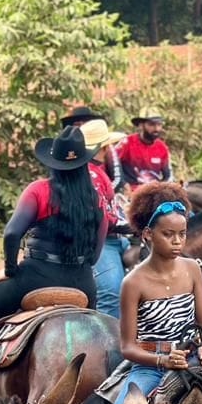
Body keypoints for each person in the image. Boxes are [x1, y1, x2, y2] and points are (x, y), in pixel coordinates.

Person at [0, 126, 103, 394]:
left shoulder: (39, 190)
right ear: (84, 163)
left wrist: (12, 268)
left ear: (53, 163)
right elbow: (94, 255)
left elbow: (12, 233)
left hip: (35, 278)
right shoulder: (95, 198)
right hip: (83, 284)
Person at [100, 183, 202, 404]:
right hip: (149, 367)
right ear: (148, 234)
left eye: (182, 234)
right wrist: (163, 360)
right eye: (168, 235)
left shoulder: (192, 269)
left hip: (192, 360)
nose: (177, 242)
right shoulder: (133, 283)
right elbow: (127, 347)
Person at [82, 119, 130, 318]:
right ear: (102, 148)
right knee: (111, 293)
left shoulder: (99, 171)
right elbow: (102, 219)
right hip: (101, 241)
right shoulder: (89, 174)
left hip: (116, 237)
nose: (112, 149)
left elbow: (111, 209)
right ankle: (107, 344)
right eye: (108, 145)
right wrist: (132, 225)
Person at [118, 108, 172, 190]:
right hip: (129, 192)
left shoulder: (162, 147)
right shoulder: (126, 142)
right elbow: (111, 165)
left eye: (159, 125)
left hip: (152, 192)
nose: (156, 129)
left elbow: (167, 176)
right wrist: (123, 185)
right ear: (141, 125)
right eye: (152, 124)